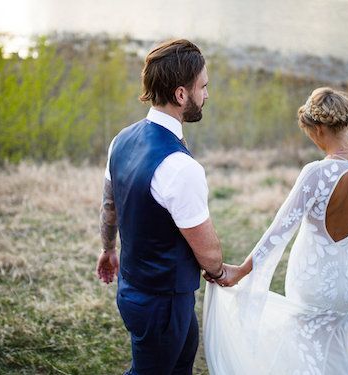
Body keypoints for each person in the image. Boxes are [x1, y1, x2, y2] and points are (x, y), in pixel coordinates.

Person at [203, 87, 348, 374]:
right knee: (337, 347)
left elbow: (279, 232)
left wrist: (242, 271)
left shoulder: (316, 174)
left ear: (319, 129)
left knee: (303, 352)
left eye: (311, 135)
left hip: (314, 282)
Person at [96, 39, 227, 375]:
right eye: (203, 87)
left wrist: (108, 249)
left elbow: (110, 205)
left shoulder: (121, 139)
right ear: (181, 95)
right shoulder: (180, 167)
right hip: (162, 303)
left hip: (135, 290)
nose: (207, 95)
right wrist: (222, 273)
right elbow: (209, 254)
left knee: (182, 362)